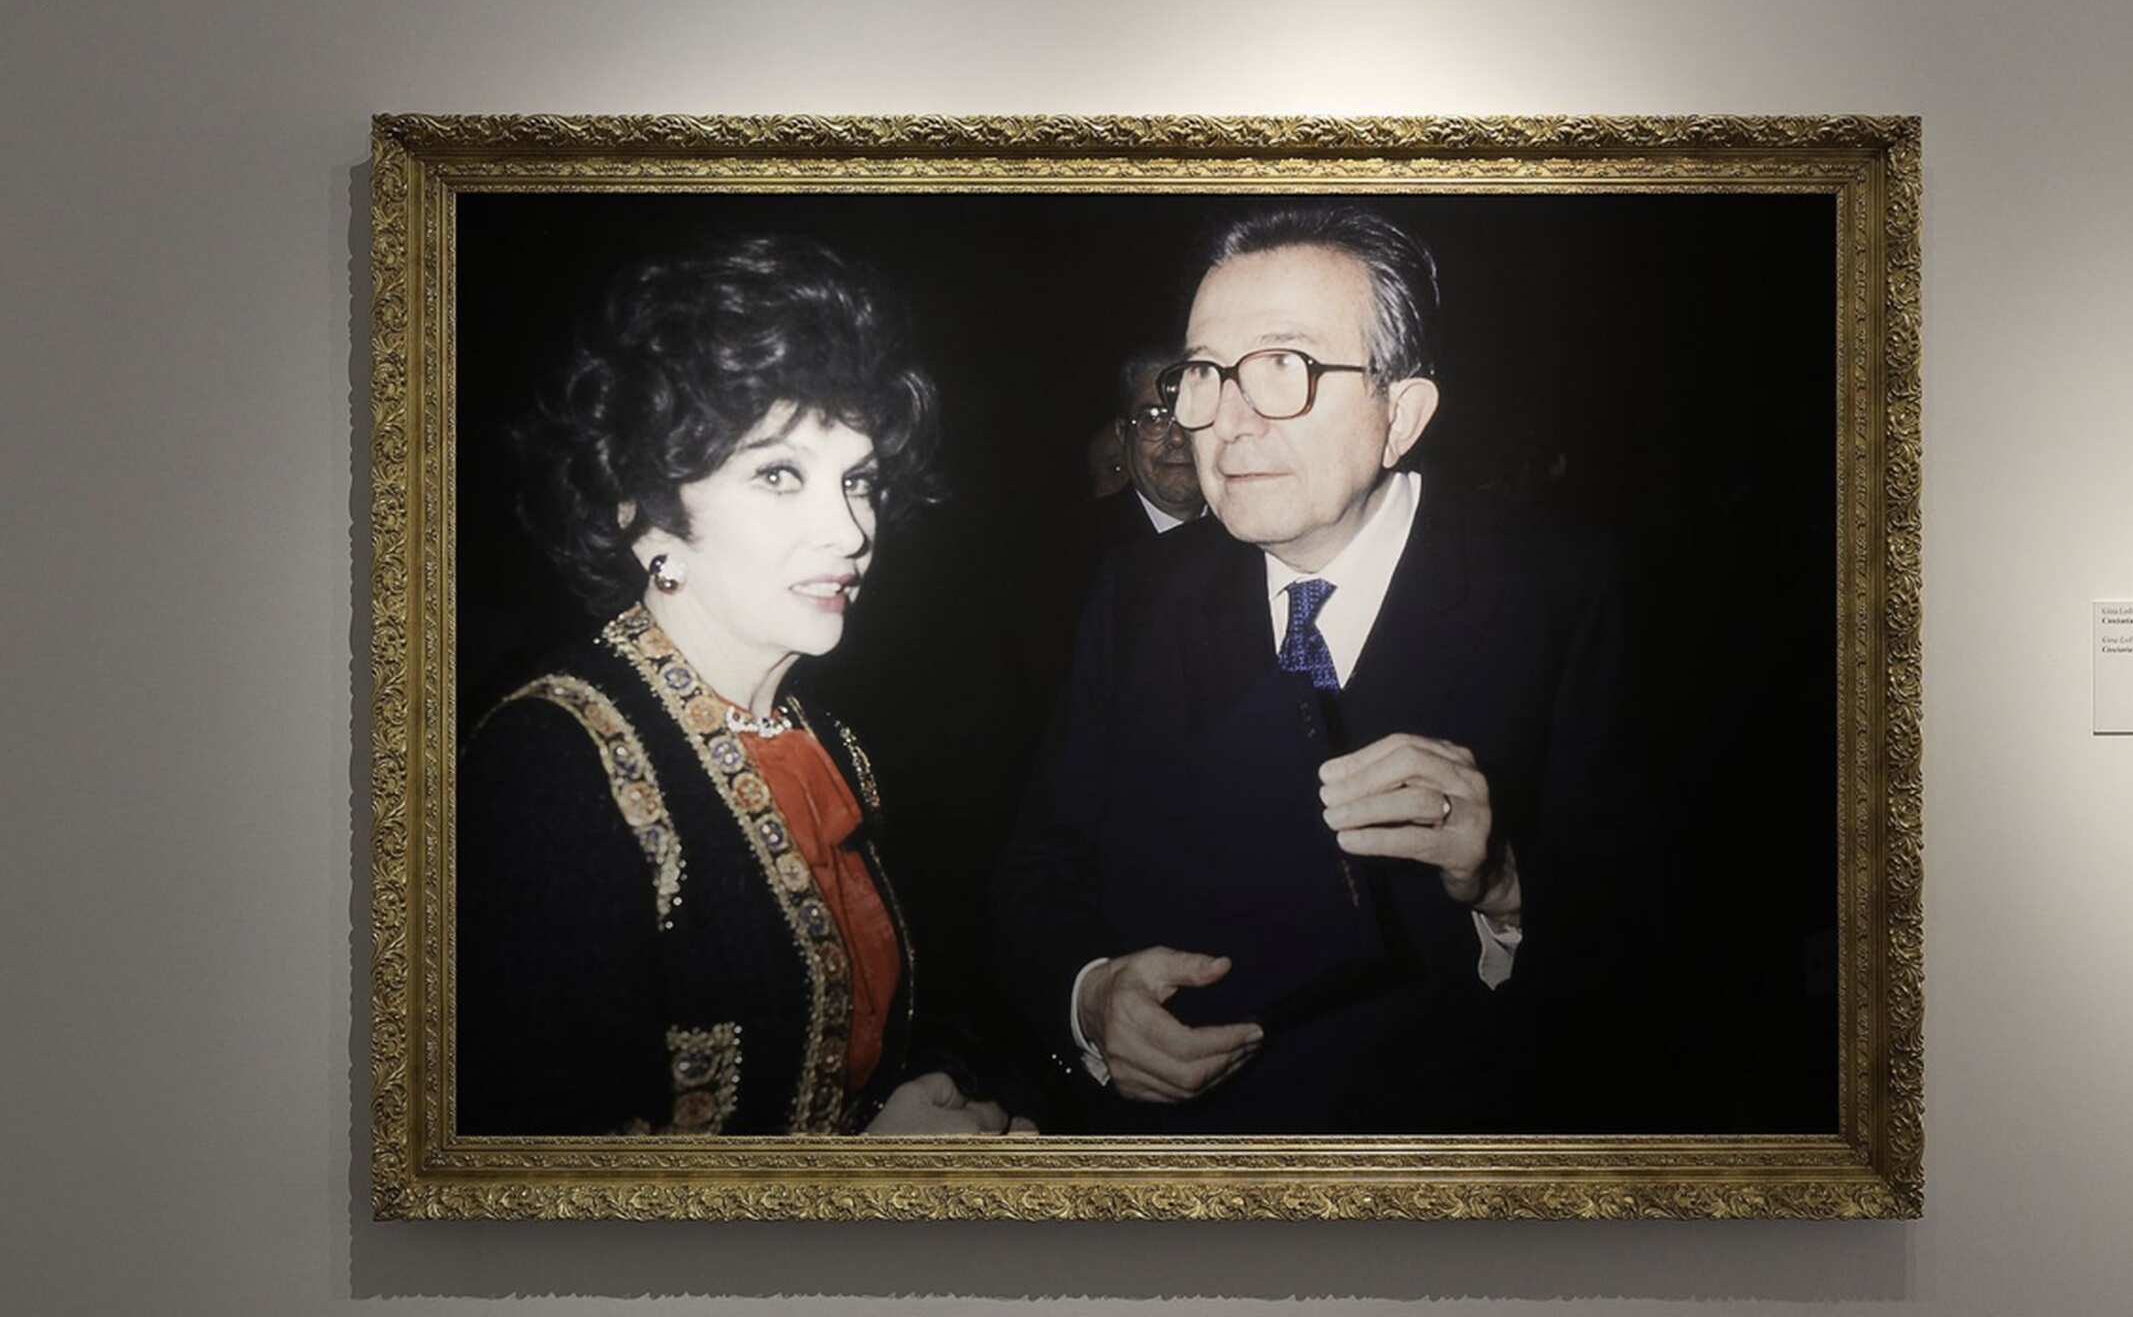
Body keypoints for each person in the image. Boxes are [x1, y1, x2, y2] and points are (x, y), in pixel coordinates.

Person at [992, 202, 1648, 1132]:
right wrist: (1091, 998)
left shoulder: (1564, 595)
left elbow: (1669, 950)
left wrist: (1504, 883)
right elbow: (1039, 864)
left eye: (1284, 368)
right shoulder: (1138, 589)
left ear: (1400, 415)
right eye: (1206, 373)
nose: (1226, 423)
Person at [458, 235, 1023, 1139]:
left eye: (860, 481)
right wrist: (866, 1182)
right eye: (779, 475)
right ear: (645, 514)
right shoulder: (550, 768)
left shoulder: (828, 742)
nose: (850, 532)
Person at [1098, 346, 1206, 551]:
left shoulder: (1253, 534)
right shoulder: (1070, 549)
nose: (1177, 438)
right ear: (1123, 433)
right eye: (1154, 419)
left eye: (1193, 414)